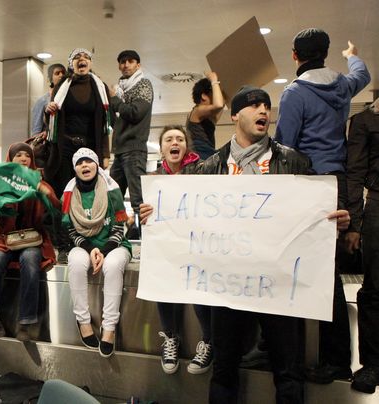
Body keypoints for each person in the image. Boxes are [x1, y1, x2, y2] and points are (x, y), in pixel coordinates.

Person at [176, 86, 349, 404]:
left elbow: (314, 214)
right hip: (228, 287)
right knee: (225, 371)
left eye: (267, 106)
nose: (263, 111)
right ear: (234, 115)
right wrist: (154, 214)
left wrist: (334, 221)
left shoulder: (294, 161)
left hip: (279, 286)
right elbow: (181, 214)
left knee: (288, 374)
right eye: (254, 105)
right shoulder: (210, 167)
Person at [275, 29, 371, 384]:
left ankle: (296, 359)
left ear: (295, 56)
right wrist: (352, 54)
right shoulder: (343, 86)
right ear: (324, 54)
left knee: (298, 274)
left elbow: (285, 145)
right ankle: (337, 361)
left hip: (308, 185)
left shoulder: (295, 93)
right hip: (337, 183)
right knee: (328, 278)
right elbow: (364, 75)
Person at [0, 143, 60, 341]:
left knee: (30, 261)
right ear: (10, 159)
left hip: (32, 239)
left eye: (27, 155)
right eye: (18, 155)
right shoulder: (0, 180)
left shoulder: (39, 180)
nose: (23, 158)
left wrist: (44, 191)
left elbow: (56, 208)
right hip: (4, 238)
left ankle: (26, 323)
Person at [142, 125, 213, 375]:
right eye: (169, 139)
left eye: (180, 139)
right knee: (163, 285)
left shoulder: (203, 172)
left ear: (186, 146)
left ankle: (209, 341)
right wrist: (143, 215)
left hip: (198, 247)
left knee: (198, 292)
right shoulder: (152, 180)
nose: (175, 142)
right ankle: (171, 338)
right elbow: (146, 218)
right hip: (168, 249)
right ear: (161, 148)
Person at [62, 147, 131, 358]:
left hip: (115, 245)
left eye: (89, 161)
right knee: (75, 261)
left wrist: (103, 250)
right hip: (86, 246)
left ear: (97, 165)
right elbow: (71, 230)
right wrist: (91, 249)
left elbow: (120, 227)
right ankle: (83, 321)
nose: (85, 165)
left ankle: (109, 327)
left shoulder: (112, 189)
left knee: (111, 266)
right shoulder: (69, 193)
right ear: (75, 169)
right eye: (80, 163)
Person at [45, 48, 112, 260]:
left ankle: (89, 240)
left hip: (90, 151)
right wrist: (49, 111)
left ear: (90, 63)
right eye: (77, 58)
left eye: (86, 58)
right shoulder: (62, 86)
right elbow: (51, 123)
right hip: (64, 149)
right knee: (64, 195)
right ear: (70, 63)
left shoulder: (99, 87)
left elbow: (104, 125)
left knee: (88, 196)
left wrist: (105, 154)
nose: (82, 61)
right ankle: (63, 243)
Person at [346, 99, 379, 393]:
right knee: (375, 288)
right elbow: (355, 173)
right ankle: (372, 364)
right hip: (378, 203)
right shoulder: (365, 120)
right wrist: (355, 224)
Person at [108, 50, 153, 240]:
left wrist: (115, 100)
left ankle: (144, 239)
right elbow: (114, 121)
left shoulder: (143, 84)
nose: (126, 65)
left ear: (138, 65)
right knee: (113, 197)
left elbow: (135, 113)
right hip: (119, 150)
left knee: (138, 199)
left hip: (134, 148)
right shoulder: (120, 88)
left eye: (130, 61)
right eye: (122, 62)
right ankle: (115, 235)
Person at [186, 72, 225, 160]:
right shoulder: (197, 110)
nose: (216, 96)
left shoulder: (210, 117)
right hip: (198, 156)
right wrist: (214, 81)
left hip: (207, 154)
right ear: (204, 96)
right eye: (213, 93)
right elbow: (218, 105)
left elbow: (222, 103)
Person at [31, 63, 67, 136]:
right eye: (57, 73)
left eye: (63, 73)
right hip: (49, 144)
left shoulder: (68, 98)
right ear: (49, 79)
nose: (61, 75)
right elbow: (36, 132)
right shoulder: (42, 101)